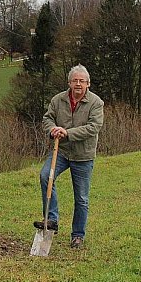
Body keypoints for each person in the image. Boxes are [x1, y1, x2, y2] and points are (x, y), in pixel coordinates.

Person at [34, 64, 104, 249]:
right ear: (69, 83)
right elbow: (47, 118)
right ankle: (52, 220)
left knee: (81, 198)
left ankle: (77, 235)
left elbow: (93, 127)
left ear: (88, 84)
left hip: (83, 155)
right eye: (75, 81)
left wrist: (68, 132)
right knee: (45, 176)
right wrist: (52, 130)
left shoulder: (96, 103)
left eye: (82, 81)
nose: (78, 84)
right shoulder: (58, 100)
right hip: (62, 152)